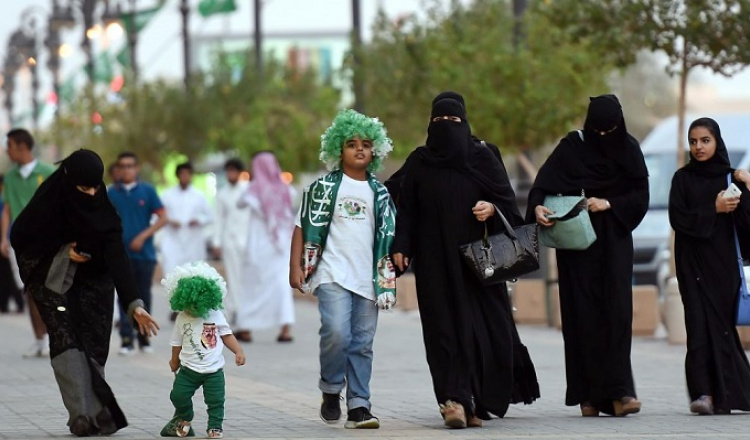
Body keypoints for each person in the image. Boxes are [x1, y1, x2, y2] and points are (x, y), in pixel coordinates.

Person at [390, 93, 539, 429]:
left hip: (479, 265)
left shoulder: (484, 157)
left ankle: (475, 399)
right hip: (434, 263)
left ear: (465, 122)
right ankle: (453, 401)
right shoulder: (419, 162)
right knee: (443, 331)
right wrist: (401, 244)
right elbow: (405, 207)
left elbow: (508, 205)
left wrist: (492, 208)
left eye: (452, 122)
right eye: (439, 122)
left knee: (484, 331)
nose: (446, 128)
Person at [9, 149, 160, 436]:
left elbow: (117, 256)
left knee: (93, 345)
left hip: (96, 287)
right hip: (57, 285)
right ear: (68, 180)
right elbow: (23, 238)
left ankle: (95, 411)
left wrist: (134, 304)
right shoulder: (48, 202)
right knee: (67, 343)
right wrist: (64, 253)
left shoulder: (103, 206)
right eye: (83, 188)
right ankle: (81, 414)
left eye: (95, 186)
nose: (91, 193)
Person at [526, 94, 649, 417]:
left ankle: (622, 392)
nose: (604, 138)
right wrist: (537, 207)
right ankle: (589, 396)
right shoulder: (573, 147)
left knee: (617, 313)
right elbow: (541, 186)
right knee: (582, 316)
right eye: (598, 131)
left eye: (609, 131)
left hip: (614, 242)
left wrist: (609, 204)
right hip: (577, 247)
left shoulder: (629, 149)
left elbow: (640, 195)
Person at [289, 109, 397, 429]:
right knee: (337, 332)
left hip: (368, 277)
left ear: (375, 150)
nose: (359, 149)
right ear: (339, 150)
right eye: (351, 144)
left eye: (365, 143)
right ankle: (331, 388)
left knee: (362, 342)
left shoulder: (380, 193)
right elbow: (300, 227)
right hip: (331, 273)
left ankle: (359, 405)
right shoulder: (321, 188)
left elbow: (389, 236)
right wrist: (294, 266)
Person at [668, 117, 750, 415]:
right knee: (698, 328)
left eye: (705, 140)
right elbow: (678, 219)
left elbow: (747, 226)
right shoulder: (682, 179)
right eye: (693, 141)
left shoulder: (731, 178)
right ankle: (703, 393)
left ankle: (729, 394)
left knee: (722, 328)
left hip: (723, 265)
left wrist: (748, 185)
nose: (699, 147)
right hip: (692, 266)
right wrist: (713, 209)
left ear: (717, 142)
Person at [161, 261, 246, 439]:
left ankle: (215, 426)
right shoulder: (182, 317)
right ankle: (185, 417)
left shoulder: (215, 314)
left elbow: (226, 334)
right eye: (188, 306)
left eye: (196, 307)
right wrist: (174, 360)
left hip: (213, 370)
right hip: (188, 370)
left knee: (216, 401)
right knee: (177, 395)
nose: (192, 310)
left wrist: (238, 351)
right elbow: (176, 342)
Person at [1, 128, 55, 357]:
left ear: (22, 146)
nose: (7, 150)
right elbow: (8, 208)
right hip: (20, 244)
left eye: (9, 145)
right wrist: (3, 237)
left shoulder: (48, 172)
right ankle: (39, 339)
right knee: (30, 291)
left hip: (47, 242)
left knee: (50, 290)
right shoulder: (10, 177)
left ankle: (55, 337)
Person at [235, 152, 295, 343]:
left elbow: (240, 203)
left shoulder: (253, 190)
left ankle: (245, 328)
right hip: (281, 244)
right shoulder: (286, 190)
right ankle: (285, 328)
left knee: (253, 286)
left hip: (259, 246)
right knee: (281, 285)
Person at [211, 158, 250, 329]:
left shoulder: (248, 191)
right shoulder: (222, 193)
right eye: (228, 171)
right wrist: (216, 242)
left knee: (246, 277)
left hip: (248, 240)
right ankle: (236, 310)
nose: (231, 175)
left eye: (234, 171)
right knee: (233, 277)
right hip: (230, 240)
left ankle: (244, 310)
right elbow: (218, 219)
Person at [160, 161, 212, 287]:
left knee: (194, 276)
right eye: (182, 174)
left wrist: (198, 220)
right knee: (173, 277)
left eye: (187, 174)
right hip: (173, 241)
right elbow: (157, 216)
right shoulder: (167, 195)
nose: (185, 177)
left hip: (193, 242)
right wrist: (169, 221)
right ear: (177, 176)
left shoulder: (199, 195)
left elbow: (210, 216)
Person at [0, 175, 25, 314]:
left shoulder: (5, 199)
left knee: (7, 274)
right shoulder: (7, 198)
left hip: (10, 238)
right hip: (10, 238)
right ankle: (18, 302)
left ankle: (8, 304)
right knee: (10, 274)